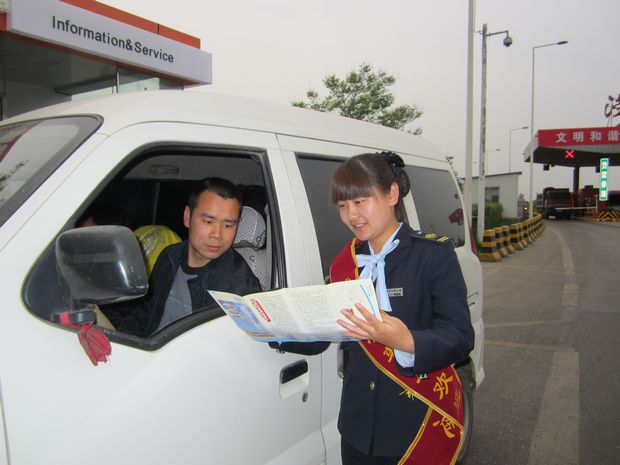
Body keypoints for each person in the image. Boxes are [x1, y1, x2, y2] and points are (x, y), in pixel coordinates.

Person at [330, 152, 474, 465]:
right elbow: (330, 326)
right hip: (356, 427)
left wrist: (406, 341)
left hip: (414, 425)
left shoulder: (433, 255)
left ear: (392, 194)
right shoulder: (346, 263)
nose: (351, 215)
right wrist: (273, 327)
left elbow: (460, 336)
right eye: (342, 206)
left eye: (360, 201)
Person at [112, 177, 262, 338]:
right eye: (208, 221)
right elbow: (146, 313)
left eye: (228, 225)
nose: (217, 234)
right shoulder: (170, 256)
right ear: (187, 217)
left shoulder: (238, 287)